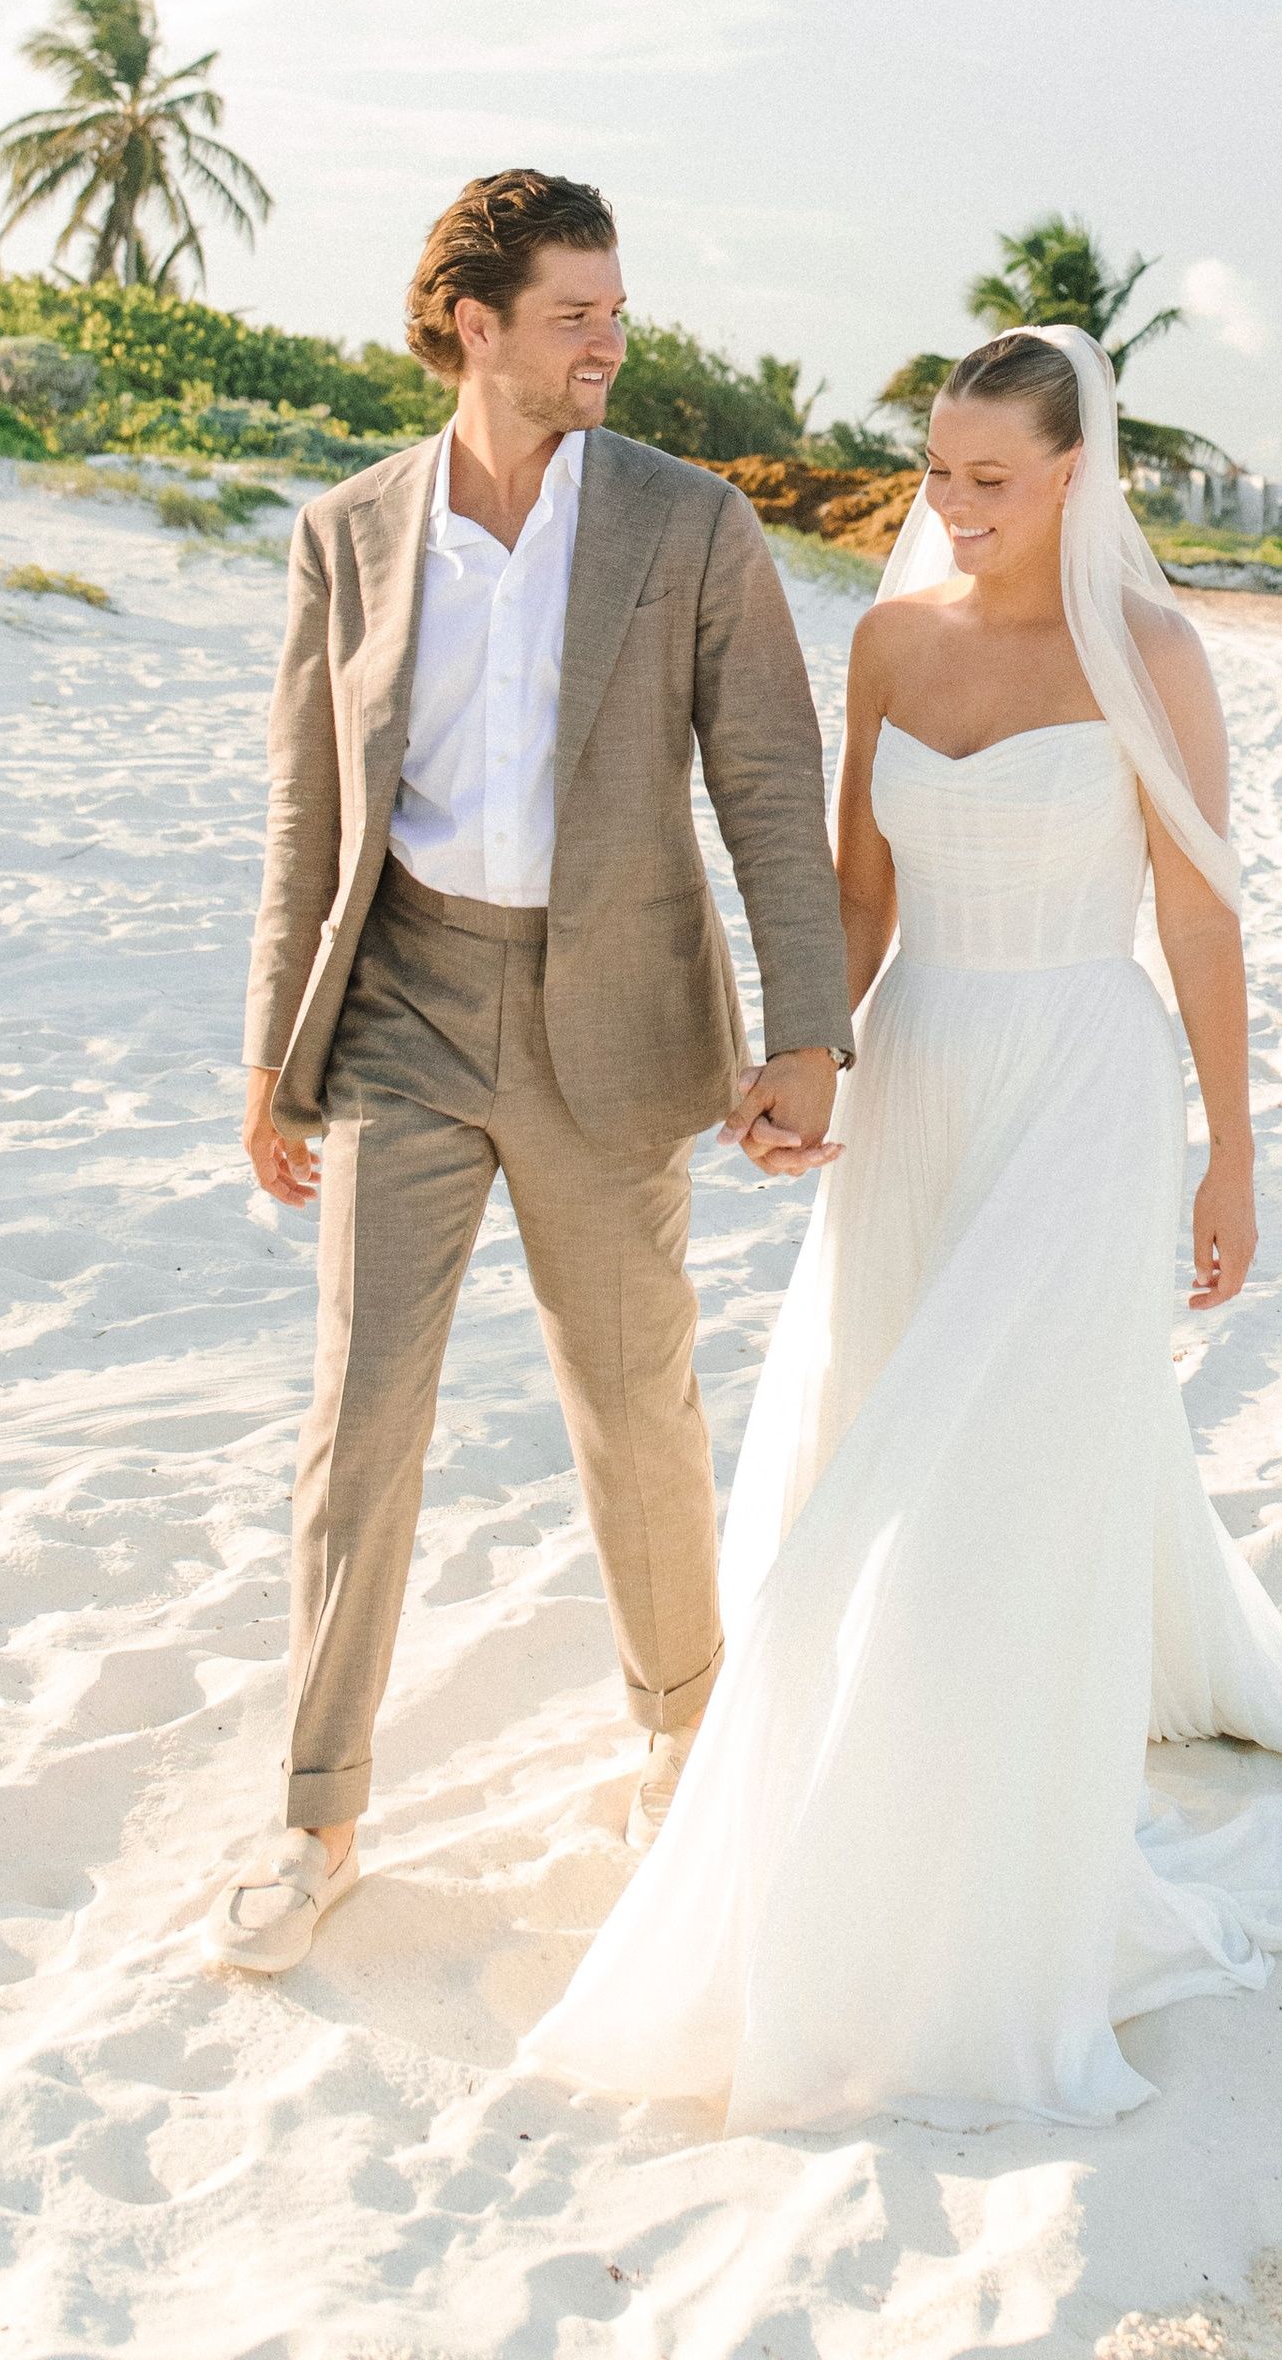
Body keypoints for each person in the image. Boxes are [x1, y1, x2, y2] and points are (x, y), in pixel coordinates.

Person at [524, 322, 1282, 2130]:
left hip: (1083, 1083)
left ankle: (981, 1852)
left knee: (999, 1459)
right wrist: (807, 1055)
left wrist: (1228, 1154)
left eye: (988, 479)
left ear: (1075, 475)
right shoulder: (891, 635)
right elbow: (858, 890)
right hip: (924, 1066)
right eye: (937, 470)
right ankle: (875, 1778)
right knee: (881, 1414)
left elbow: (1204, 921)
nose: (951, 506)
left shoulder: (1153, 655)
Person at [200, 169, 852, 1975]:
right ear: (471, 328)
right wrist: (277, 1055)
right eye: (575, 314)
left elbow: (774, 787)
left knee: (633, 1399)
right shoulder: (347, 532)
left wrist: (807, 1033)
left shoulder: (690, 522)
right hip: (406, 1003)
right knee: (362, 1416)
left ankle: (680, 1737)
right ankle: (315, 1814)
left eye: (617, 311)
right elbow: (308, 809)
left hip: (611, 1022)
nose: (610, 343)